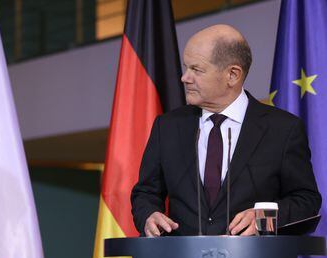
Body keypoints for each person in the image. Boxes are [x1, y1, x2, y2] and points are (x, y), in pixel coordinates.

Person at [131, 24, 321, 237]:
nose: (185, 78)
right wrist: (149, 215)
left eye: (196, 69)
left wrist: (263, 217)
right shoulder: (167, 127)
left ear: (232, 74)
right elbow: (145, 193)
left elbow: (306, 200)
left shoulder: (283, 129)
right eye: (186, 67)